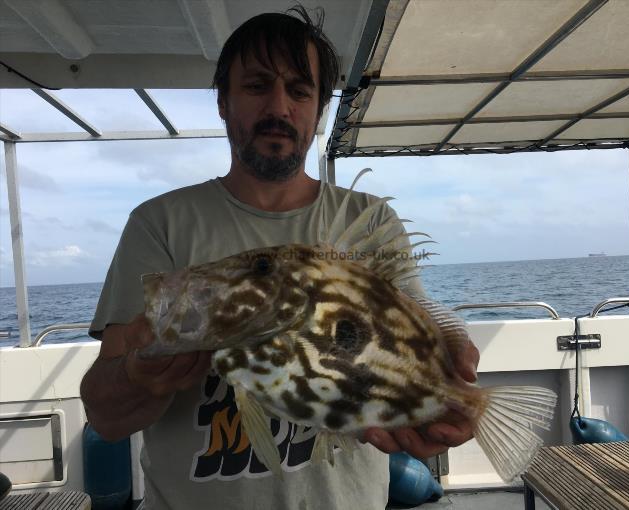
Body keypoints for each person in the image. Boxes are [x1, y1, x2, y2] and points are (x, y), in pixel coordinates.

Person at [80, 6, 480, 510]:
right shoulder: (159, 223)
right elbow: (106, 417)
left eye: (299, 89)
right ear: (223, 102)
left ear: (318, 108)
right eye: (256, 86)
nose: (279, 106)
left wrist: (448, 394)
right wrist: (137, 376)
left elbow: (418, 336)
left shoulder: (370, 220)